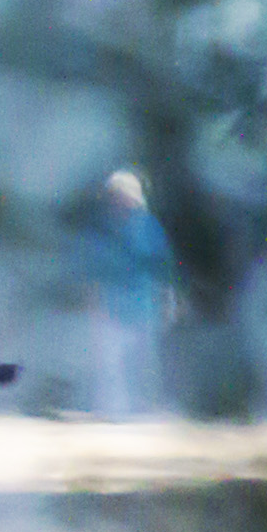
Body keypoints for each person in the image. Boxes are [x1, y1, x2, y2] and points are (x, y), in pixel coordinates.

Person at [75, 168, 177, 418]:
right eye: (115, 195)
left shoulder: (149, 227)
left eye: (125, 194)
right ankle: (113, 415)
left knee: (143, 366)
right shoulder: (100, 229)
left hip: (144, 308)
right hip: (111, 309)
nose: (120, 199)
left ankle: (144, 414)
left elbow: (163, 267)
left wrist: (168, 300)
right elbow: (91, 272)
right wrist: (92, 303)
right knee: (110, 367)